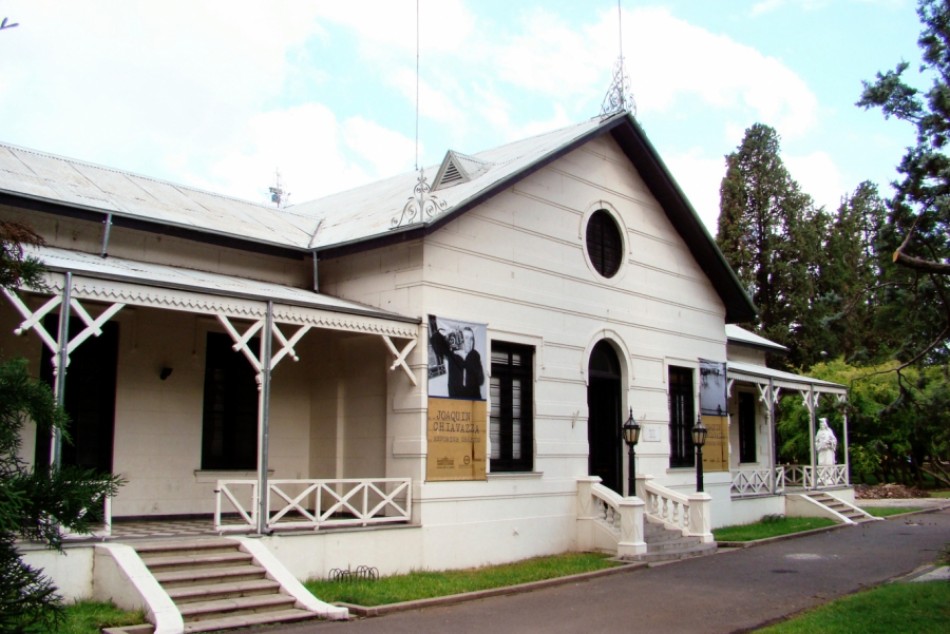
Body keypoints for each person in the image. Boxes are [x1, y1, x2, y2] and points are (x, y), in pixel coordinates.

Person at [429, 321, 484, 399]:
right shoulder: (453, 353)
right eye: (466, 338)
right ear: (460, 339)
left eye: (471, 339)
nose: (469, 341)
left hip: (474, 402)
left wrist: (468, 360)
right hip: (456, 402)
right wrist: (444, 332)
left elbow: (480, 380)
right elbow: (435, 342)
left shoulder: (475, 355)